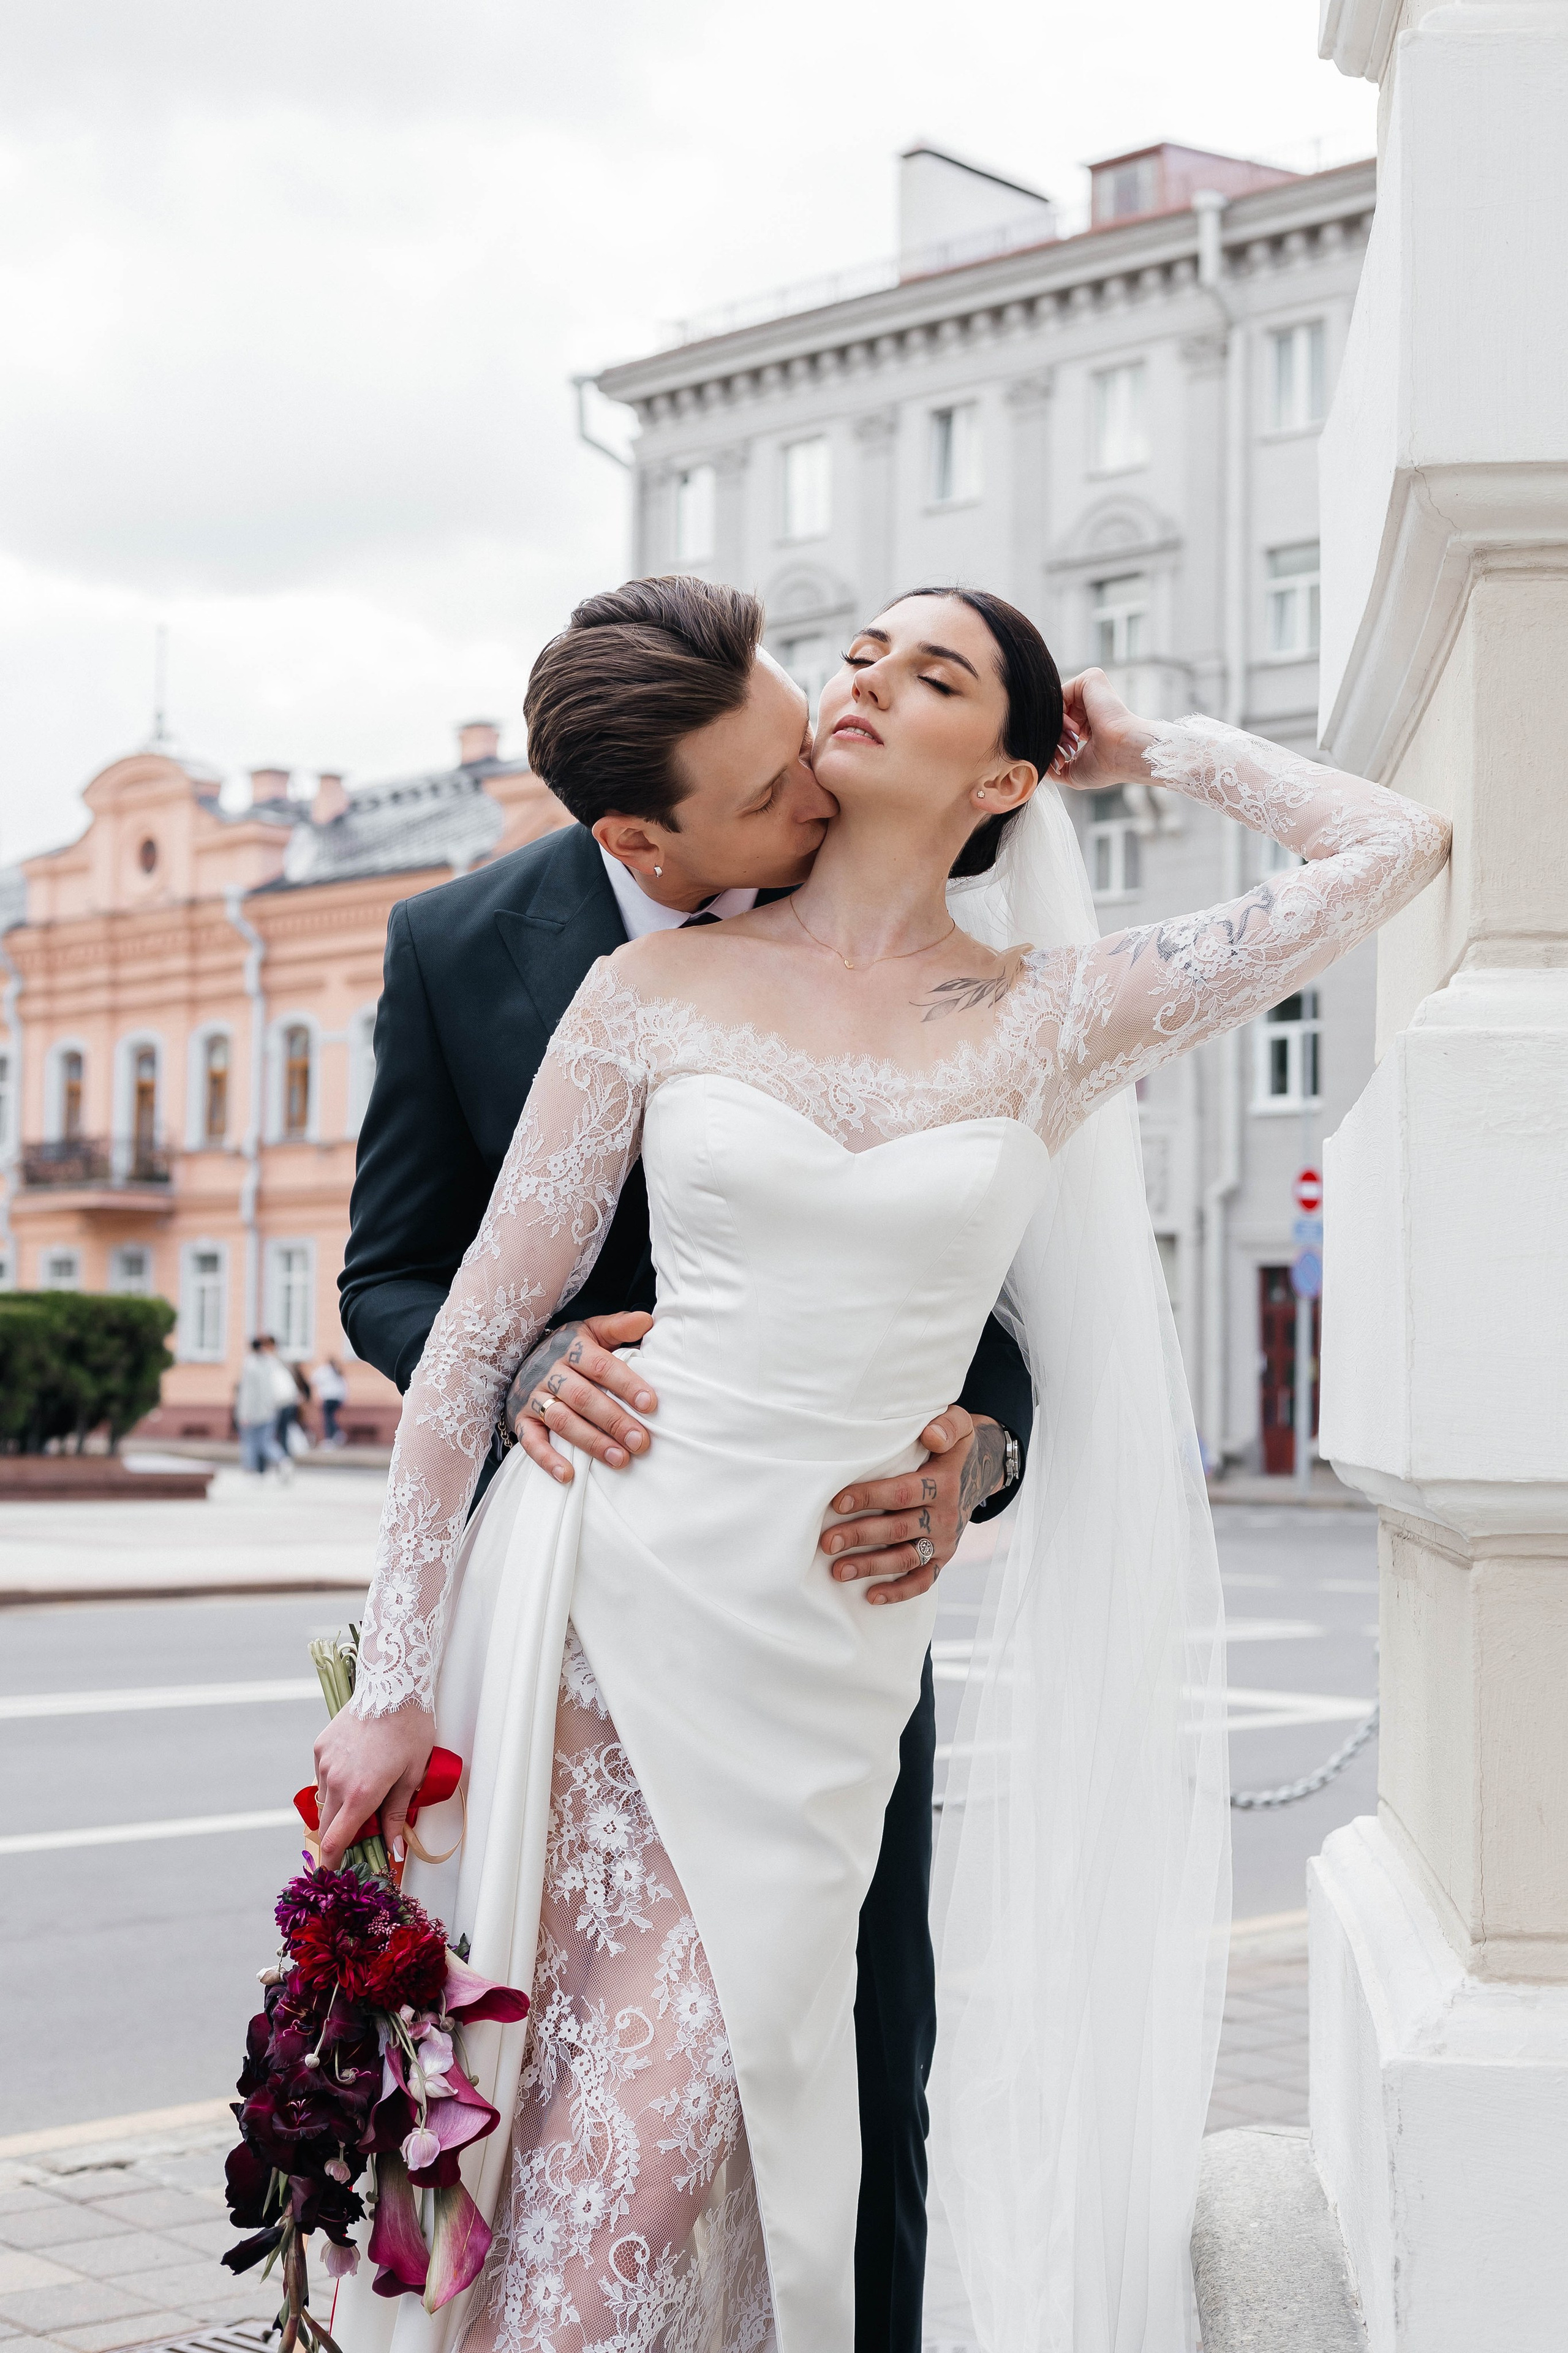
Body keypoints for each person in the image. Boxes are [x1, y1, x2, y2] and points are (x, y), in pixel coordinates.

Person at [318, 581, 1449, 2353]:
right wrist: (393, 1688)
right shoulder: (648, 985)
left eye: (931, 675)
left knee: (714, 2143)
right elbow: (466, 1340)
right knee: (590, 2148)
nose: (863, 683)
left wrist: (1151, 745)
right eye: (858, 654)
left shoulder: (1062, 1011)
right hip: (610, 1594)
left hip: (830, 1650)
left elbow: (1391, 847)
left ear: (1005, 778)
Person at [337, 581, 1031, 2353]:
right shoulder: (461, 945)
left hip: (827, 1612)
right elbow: (396, 1280)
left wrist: (972, 1459)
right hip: (582, 1602)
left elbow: (997, 1297)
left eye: (807, 735)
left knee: (860, 2082)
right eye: (770, 788)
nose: (821, 784)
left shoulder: (929, 915)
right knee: (533, 2101)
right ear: (641, 839)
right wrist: (533, 1367)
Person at [235, 1335, 292, 1478]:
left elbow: (247, 1393)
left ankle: (250, 1470)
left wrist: (243, 1414)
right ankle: (282, 1460)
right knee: (266, 1442)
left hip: (253, 1412)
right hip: (270, 1410)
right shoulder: (271, 1363)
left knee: (250, 1442)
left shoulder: (250, 1365)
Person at [311, 1356, 349, 1447]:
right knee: (331, 1417)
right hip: (337, 1398)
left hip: (328, 1397)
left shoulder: (324, 1370)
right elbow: (344, 1386)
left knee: (328, 1418)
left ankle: (330, 1438)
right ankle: (337, 1433)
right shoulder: (338, 1372)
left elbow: (313, 1379)